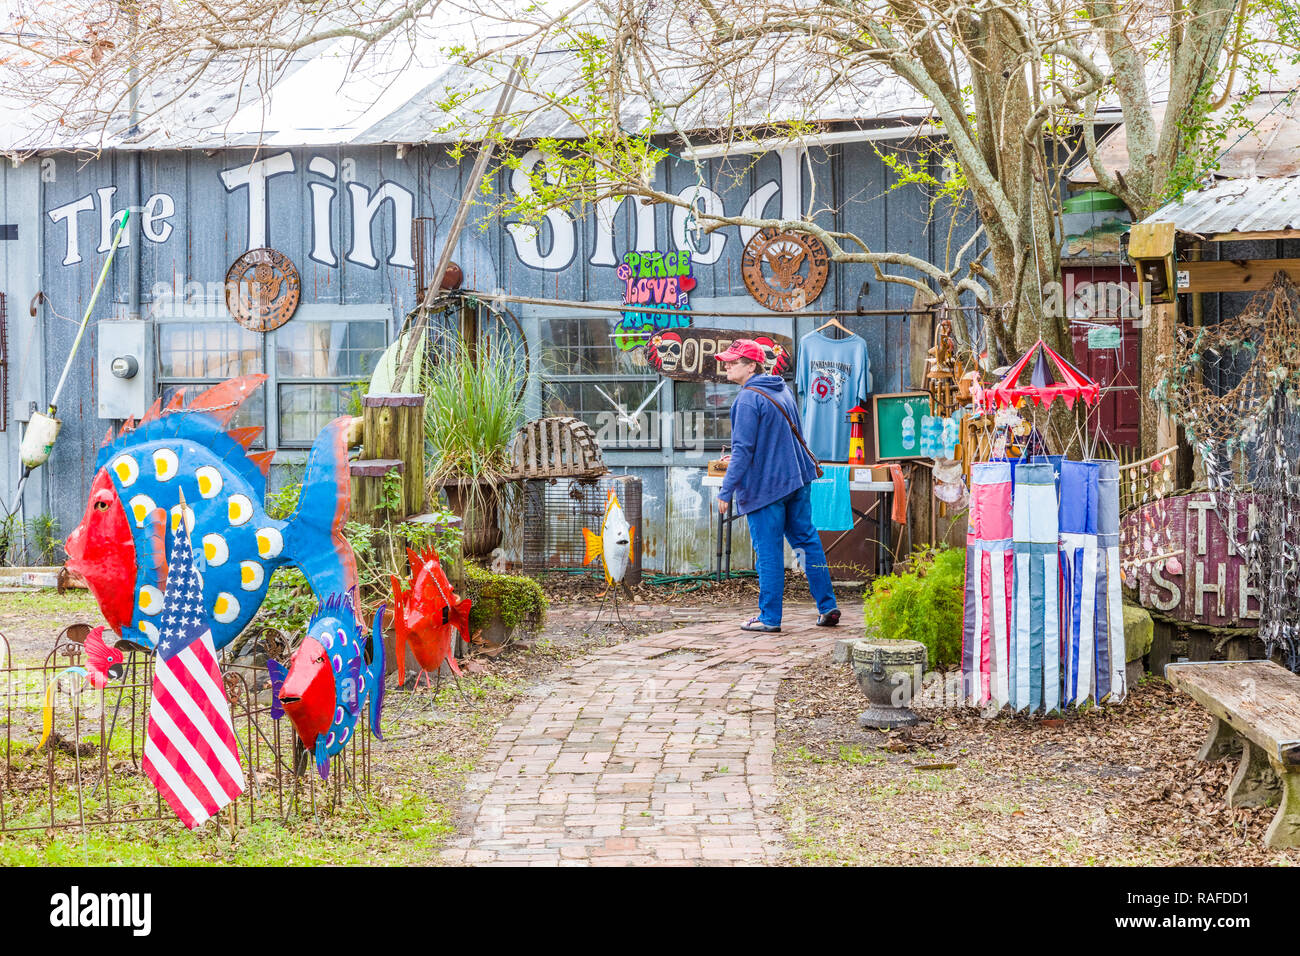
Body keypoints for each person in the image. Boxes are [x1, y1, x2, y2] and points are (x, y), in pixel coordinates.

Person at [715, 339, 840, 633]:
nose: (727, 365)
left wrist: (726, 490)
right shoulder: (780, 389)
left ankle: (769, 617)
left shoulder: (746, 399)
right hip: (797, 479)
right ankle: (827, 605)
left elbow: (744, 450)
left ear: (752, 366)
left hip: (767, 488)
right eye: (728, 361)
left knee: (768, 551)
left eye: (735, 361)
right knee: (808, 543)